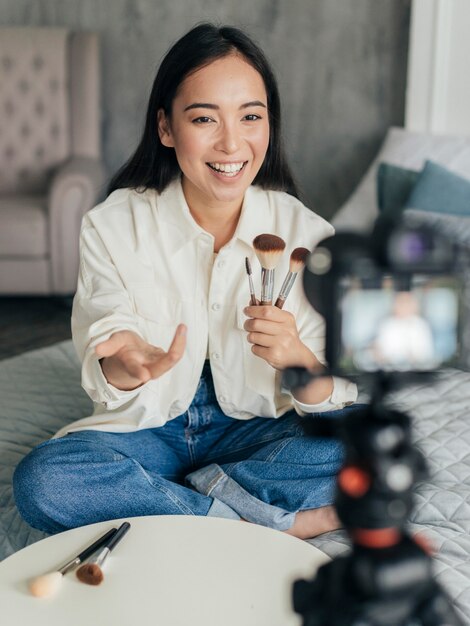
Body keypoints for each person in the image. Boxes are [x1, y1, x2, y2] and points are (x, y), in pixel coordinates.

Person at [13, 23, 358, 539]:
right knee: (44, 482)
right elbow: (104, 352)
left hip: (257, 431)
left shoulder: (306, 234)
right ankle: (253, 523)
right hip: (147, 432)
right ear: (166, 127)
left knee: (366, 444)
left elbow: (340, 389)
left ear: (269, 125)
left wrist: (298, 360)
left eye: (250, 117)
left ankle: (175, 503)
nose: (232, 143)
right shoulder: (113, 225)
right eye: (204, 118)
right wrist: (127, 364)